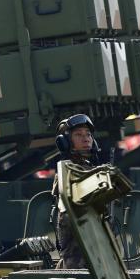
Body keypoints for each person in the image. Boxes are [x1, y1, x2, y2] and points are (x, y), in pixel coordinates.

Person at [53, 114, 99, 269]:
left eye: (88, 135)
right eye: (78, 135)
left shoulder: (90, 169)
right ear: (65, 142)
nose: (86, 139)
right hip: (78, 260)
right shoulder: (67, 172)